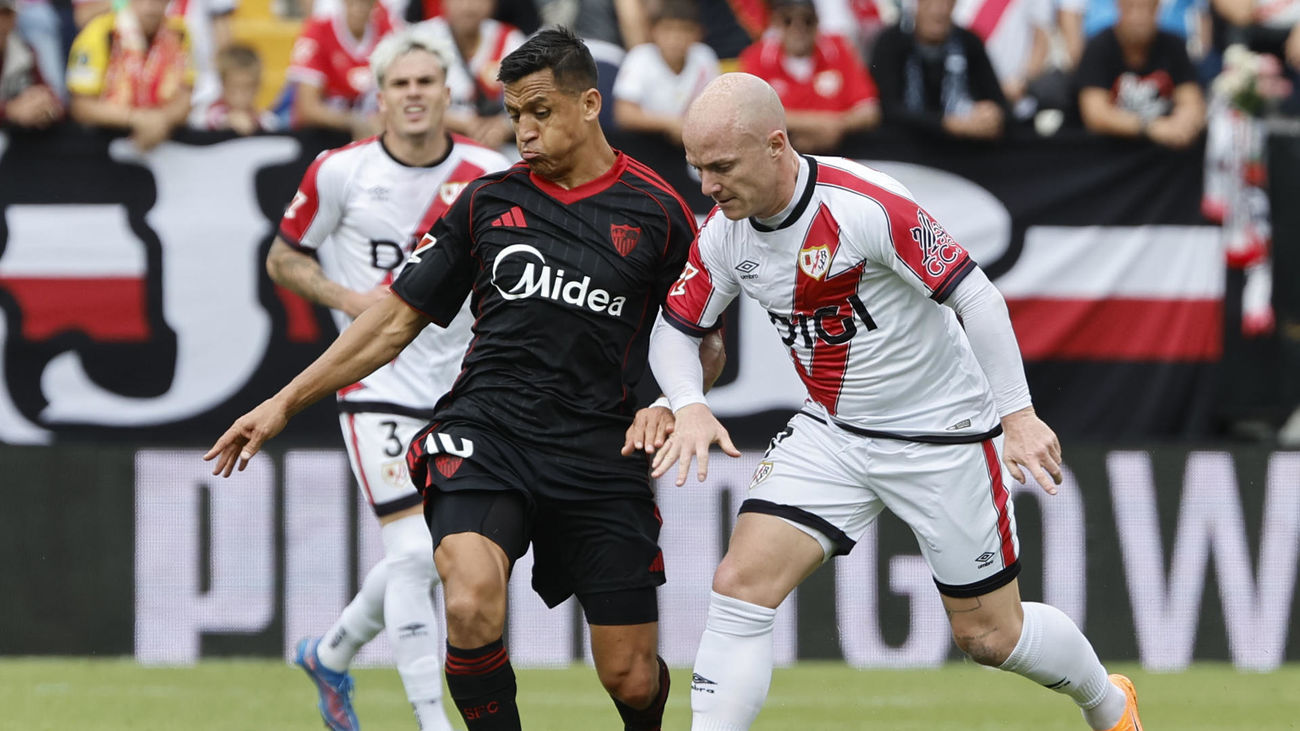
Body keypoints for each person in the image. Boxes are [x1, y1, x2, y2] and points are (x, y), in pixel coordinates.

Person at [206, 26, 721, 731]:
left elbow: (703, 339)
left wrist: (672, 402)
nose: (525, 130)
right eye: (513, 115)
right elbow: (392, 320)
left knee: (630, 676)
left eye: (540, 111)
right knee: (470, 593)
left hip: (603, 448)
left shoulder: (659, 212)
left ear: (592, 103)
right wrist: (283, 402)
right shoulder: (485, 202)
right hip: (490, 430)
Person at [647, 72, 1145, 731]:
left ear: (775, 145)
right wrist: (686, 401)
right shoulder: (724, 232)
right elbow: (673, 332)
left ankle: (1109, 705)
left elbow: (976, 295)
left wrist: (1018, 415)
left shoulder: (866, 205)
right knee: (740, 585)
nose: (706, 186)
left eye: (720, 167)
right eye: (696, 167)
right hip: (834, 432)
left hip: (943, 434)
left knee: (991, 637)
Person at [266, 29, 510, 731]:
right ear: (379, 97)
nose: (413, 95)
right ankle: (432, 720)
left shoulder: (487, 170)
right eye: (400, 84)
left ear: (448, 93)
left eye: (425, 83)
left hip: (464, 388)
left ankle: (331, 651)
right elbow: (285, 258)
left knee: (437, 557)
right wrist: (349, 300)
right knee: (412, 551)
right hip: (375, 382)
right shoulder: (339, 171)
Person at [737, 0, 880, 153]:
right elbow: (752, 114)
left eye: (807, 20)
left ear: (818, 22)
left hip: (840, 149)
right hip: (779, 151)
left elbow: (869, 111)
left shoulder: (837, 49)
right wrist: (820, 126)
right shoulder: (757, 57)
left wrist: (835, 128)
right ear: (776, 22)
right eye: (788, 20)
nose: (798, 28)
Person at [871, 0, 1009, 139]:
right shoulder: (891, 42)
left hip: (963, 144)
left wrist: (991, 116)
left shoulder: (969, 42)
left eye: (946, 3)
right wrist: (947, 124)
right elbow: (887, 108)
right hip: (906, 141)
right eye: (930, 3)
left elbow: (997, 101)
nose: (939, 11)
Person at [66, 0, 194, 150]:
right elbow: (81, 106)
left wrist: (161, 120)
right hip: (105, 143)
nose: (150, 7)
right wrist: (137, 119)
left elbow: (188, 94)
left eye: (158, 1)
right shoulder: (99, 32)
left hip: (165, 139)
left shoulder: (180, 32)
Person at [1075, 0, 1205, 149]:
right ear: (1119, 8)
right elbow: (1095, 114)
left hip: (1165, 155)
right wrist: (1151, 127)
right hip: (1110, 154)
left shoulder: (1174, 45)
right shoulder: (1098, 47)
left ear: (1157, 9)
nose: (1138, 16)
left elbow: (1191, 100)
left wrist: (1184, 122)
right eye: (1131, 7)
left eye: (1145, 8)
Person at [414, 0, 523, 149]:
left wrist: (504, 126)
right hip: (433, 144)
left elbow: (532, 100)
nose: (468, 6)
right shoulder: (419, 39)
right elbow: (402, 99)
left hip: (497, 148)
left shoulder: (509, 39)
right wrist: (463, 124)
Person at [612, 0, 720, 146]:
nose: (675, 38)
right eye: (668, 29)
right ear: (653, 31)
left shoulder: (704, 56)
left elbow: (716, 106)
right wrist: (671, 124)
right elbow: (624, 114)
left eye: (684, 30)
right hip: (649, 146)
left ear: (698, 33)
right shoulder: (640, 57)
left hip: (692, 144)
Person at [286, 0, 394, 133]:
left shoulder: (389, 32)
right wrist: (355, 122)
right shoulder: (318, 32)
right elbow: (307, 108)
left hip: (374, 129)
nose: (359, 7)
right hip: (325, 133)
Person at [1, 0, 63, 128]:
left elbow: (52, 99)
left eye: (5, 14)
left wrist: (45, 107)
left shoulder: (23, 51)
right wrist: (9, 111)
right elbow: (12, 111)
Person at [200, 43, 278, 133]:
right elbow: (215, 118)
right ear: (223, 85)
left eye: (248, 87)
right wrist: (229, 120)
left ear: (257, 86)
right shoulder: (213, 112)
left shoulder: (263, 119)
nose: (240, 95)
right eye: (234, 87)